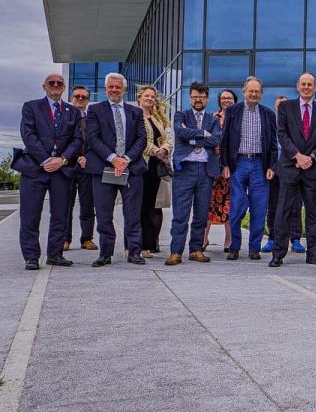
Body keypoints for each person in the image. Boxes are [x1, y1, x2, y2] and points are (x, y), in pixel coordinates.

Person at [15, 73, 82, 270]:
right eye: (51, 83)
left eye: (59, 83)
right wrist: (46, 160)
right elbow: (28, 135)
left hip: (62, 171)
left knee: (60, 214)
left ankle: (55, 254)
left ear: (64, 88)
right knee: (30, 214)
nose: (55, 85)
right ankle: (31, 256)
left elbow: (77, 140)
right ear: (44, 86)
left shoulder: (73, 112)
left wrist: (61, 160)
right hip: (35, 169)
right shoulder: (31, 107)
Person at [84, 72, 148, 266]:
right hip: (104, 168)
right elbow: (93, 138)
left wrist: (126, 159)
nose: (114, 89)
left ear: (124, 89)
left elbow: (142, 139)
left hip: (131, 168)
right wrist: (113, 159)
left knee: (133, 213)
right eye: (110, 86)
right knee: (104, 214)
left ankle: (134, 252)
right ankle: (105, 253)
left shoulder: (135, 112)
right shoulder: (94, 110)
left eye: (117, 87)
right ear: (106, 89)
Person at [270, 73, 316, 267]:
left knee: (314, 213)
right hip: (290, 167)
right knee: (284, 211)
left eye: (310, 85)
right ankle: (278, 254)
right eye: (303, 84)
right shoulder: (286, 108)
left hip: (313, 170)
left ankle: (314, 253)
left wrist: (311, 158)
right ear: (298, 86)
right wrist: (297, 156)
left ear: (315, 88)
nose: (306, 87)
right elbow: (282, 134)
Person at [220, 76, 277, 261]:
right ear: (244, 91)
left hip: (260, 165)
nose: (253, 94)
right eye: (250, 90)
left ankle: (254, 248)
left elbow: (273, 143)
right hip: (239, 164)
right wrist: (225, 164)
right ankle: (234, 247)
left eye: (257, 91)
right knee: (236, 208)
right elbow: (225, 139)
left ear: (261, 94)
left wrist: (271, 166)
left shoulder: (268, 114)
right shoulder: (233, 111)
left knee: (259, 209)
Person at [166, 82, 222, 265]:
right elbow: (180, 132)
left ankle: (196, 249)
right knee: (180, 213)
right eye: (195, 96)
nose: (198, 99)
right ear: (190, 97)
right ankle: (176, 251)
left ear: (207, 98)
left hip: (205, 171)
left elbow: (216, 139)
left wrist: (194, 139)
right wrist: (203, 134)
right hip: (185, 169)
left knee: (201, 212)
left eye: (202, 96)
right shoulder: (181, 115)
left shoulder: (213, 120)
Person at [137, 85, 174, 259]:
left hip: (156, 168)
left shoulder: (156, 119)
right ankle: (135, 244)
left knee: (153, 206)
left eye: (152, 97)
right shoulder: (134, 116)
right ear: (140, 97)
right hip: (140, 165)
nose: (150, 99)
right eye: (147, 96)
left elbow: (167, 139)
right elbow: (137, 140)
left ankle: (148, 244)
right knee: (139, 206)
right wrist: (155, 150)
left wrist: (164, 149)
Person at [264, 96, 303, 255]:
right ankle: (272, 238)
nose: (281, 109)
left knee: (295, 206)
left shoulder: (294, 123)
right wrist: (271, 166)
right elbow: (268, 148)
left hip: (293, 169)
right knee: (273, 206)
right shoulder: (270, 124)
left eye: (284, 106)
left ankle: (295, 239)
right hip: (274, 171)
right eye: (278, 106)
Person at [63, 85, 97, 252]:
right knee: (65, 205)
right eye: (77, 96)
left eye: (83, 97)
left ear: (88, 100)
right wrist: (74, 157)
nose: (80, 99)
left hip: (87, 167)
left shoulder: (92, 119)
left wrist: (88, 158)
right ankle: (65, 239)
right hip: (67, 167)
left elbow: (97, 141)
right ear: (71, 98)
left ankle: (87, 238)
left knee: (87, 205)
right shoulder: (64, 117)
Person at [204, 89, 236, 251]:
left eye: (229, 98)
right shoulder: (212, 118)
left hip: (232, 167)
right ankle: (204, 238)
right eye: (223, 98)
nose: (226, 101)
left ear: (235, 100)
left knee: (230, 203)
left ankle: (228, 240)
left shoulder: (239, 117)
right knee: (208, 201)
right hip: (213, 166)